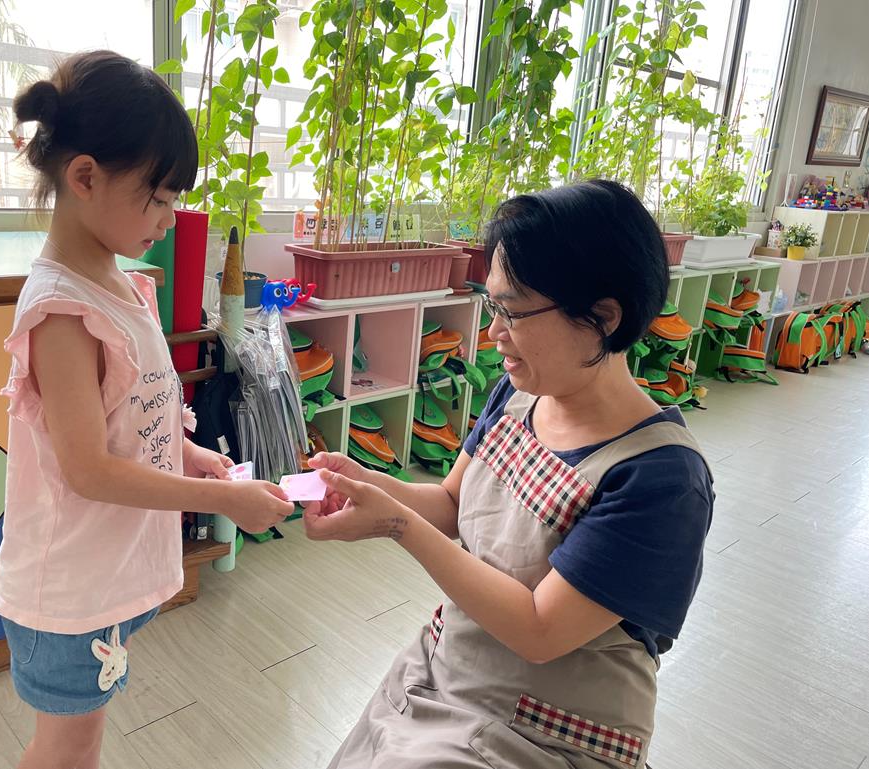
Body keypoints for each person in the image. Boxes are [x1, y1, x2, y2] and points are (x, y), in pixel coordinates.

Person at [304, 180, 714, 768]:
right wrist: (365, 483)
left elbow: (540, 630)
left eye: (514, 312)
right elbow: (451, 503)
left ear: (602, 318)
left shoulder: (660, 478)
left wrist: (396, 524)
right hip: (454, 671)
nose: (494, 332)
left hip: (551, 732)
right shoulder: (519, 395)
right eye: (493, 306)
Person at [0, 51, 293, 769]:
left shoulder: (122, 284)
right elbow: (89, 470)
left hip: (108, 572)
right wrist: (220, 498)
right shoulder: (62, 312)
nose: (170, 217)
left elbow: (129, 417)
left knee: (79, 740)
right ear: (85, 177)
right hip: (69, 589)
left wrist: (188, 454)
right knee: (67, 749)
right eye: (157, 198)